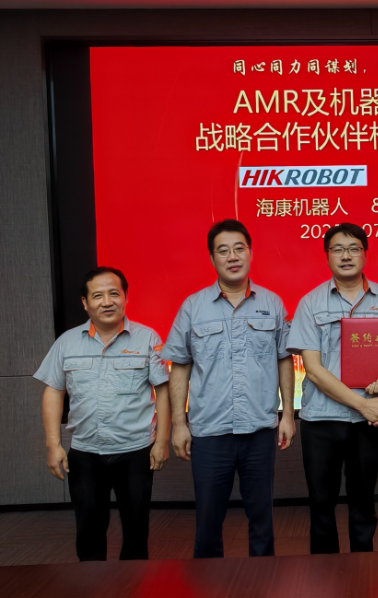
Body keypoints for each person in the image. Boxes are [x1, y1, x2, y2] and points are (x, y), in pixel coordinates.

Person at [161, 219, 295, 558]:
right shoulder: (193, 306)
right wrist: (179, 424)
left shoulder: (273, 303)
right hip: (210, 432)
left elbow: (284, 360)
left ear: (250, 253)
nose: (232, 256)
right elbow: (180, 365)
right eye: (223, 251)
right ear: (212, 258)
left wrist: (288, 415)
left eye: (239, 248)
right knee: (208, 522)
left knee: (262, 519)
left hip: (259, 429)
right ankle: (209, 582)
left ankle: (262, 580)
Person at [36, 267, 171, 561]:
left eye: (114, 294)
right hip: (85, 453)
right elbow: (54, 392)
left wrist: (162, 441)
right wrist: (53, 444)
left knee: (136, 531)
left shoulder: (147, 338)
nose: (107, 302)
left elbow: (163, 391)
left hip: (135, 451)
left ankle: (133, 582)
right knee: (88, 532)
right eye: (98, 296)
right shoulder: (67, 342)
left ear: (125, 297)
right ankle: (94, 582)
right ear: (85, 303)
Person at [286, 223, 378, 554]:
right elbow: (313, 369)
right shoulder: (310, 303)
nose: (346, 256)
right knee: (321, 504)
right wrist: (361, 404)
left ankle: (363, 569)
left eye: (353, 249)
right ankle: (325, 572)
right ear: (327, 256)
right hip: (322, 419)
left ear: (365, 254)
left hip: (369, 420)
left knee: (363, 503)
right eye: (338, 249)